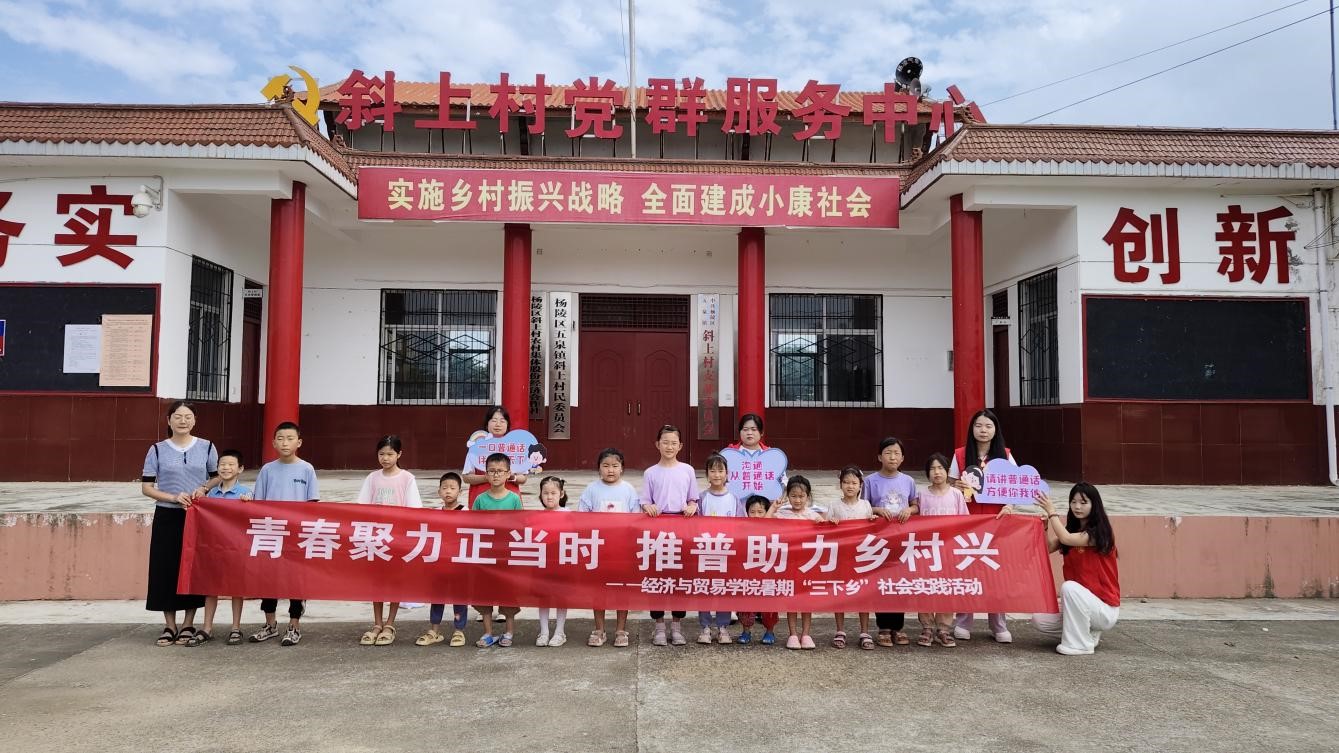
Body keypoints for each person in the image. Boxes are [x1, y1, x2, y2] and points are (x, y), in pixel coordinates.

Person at [141, 400, 218, 647]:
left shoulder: (207, 447)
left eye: (188, 416)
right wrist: (173, 497)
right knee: (165, 568)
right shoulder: (157, 450)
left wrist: (203, 488)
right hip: (167, 515)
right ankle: (170, 625)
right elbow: (147, 488)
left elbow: (217, 476)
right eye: (178, 416)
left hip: (196, 515)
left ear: (194, 420)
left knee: (192, 568)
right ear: (169, 420)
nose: (183, 421)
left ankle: (188, 624)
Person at [950, 409, 1020, 643]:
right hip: (967, 520)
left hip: (996, 520)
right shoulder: (960, 454)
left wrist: (1009, 505)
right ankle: (963, 621)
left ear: (995, 430)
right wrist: (957, 487)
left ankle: (998, 624)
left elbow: (1016, 487)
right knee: (966, 567)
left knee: (995, 570)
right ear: (972, 429)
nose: (983, 430)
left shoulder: (1006, 455)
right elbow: (949, 484)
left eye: (988, 426)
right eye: (978, 425)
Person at [249, 421, 319, 647]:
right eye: (280, 438)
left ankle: (294, 625)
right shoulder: (267, 469)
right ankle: (270, 624)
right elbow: (258, 502)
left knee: (295, 579)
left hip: (297, 534)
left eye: (290, 438)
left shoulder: (307, 469)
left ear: (299, 442)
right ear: (273, 443)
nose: (285, 443)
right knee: (268, 579)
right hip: (271, 532)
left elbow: (313, 504)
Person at [1032, 483, 1120, 655]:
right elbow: (1047, 548)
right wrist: (1045, 527)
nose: (1077, 507)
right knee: (1039, 620)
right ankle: (1087, 634)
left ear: (1094, 505)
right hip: (1083, 603)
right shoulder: (1072, 529)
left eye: (1083, 502)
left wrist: (1052, 512)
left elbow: (1066, 538)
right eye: (1073, 502)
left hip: (1103, 608)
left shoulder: (1099, 532)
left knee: (1069, 588)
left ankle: (1080, 645)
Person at [355, 435, 422, 647]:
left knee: (394, 581)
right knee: (376, 582)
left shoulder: (407, 478)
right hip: (376, 537)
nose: (385, 458)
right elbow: (362, 507)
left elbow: (414, 510)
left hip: (397, 538)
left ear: (399, 454)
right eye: (381, 454)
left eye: (390, 454)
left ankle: (390, 623)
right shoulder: (372, 478)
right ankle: (377, 623)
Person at [640, 424, 699, 646]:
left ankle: (676, 626)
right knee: (657, 577)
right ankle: (658, 626)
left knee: (679, 577)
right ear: (657, 444)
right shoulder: (650, 472)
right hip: (657, 530)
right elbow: (645, 500)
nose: (669, 447)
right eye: (665, 442)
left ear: (680, 446)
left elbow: (693, 498)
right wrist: (648, 507)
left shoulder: (688, 470)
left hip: (681, 528)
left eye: (674, 443)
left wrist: (692, 506)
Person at [578, 448, 639, 647]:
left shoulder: (628, 490)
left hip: (622, 550)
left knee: (622, 589)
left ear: (622, 468)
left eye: (615, 466)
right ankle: (599, 629)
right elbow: (581, 517)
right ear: (599, 468)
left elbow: (636, 519)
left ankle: (621, 629)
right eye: (605, 466)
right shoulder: (591, 489)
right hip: (598, 550)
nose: (610, 470)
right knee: (598, 590)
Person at [861, 436, 918, 647]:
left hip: (902, 539)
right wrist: (877, 509)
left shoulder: (908, 481)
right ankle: (883, 627)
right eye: (888, 453)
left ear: (902, 458)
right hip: (879, 540)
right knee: (881, 581)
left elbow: (916, 505)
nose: (892, 457)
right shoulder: (870, 481)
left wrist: (909, 510)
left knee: (899, 580)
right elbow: (863, 506)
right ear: (879, 457)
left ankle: (898, 627)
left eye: (896, 453)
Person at [196, 448, 250, 647]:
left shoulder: (246, 493)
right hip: (214, 547)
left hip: (236, 548)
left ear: (240, 469)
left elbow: (251, 517)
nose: (226, 468)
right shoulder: (211, 494)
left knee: (236, 588)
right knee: (211, 588)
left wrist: (248, 504)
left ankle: (235, 628)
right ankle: (207, 628)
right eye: (222, 465)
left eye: (231, 465)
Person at [915, 453, 969, 648]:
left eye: (940, 468)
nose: (936, 472)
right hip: (926, 550)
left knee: (947, 587)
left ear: (947, 471)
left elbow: (965, 522)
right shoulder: (921, 495)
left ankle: (943, 629)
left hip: (949, 550)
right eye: (932, 469)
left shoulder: (956, 495)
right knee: (926, 587)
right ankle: (927, 627)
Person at [473, 452, 523, 647]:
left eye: (500, 471)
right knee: (484, 593)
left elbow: (520, 526)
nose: (495, 475)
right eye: (491, 471)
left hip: (506, 555)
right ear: (486, 474)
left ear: (508, 474)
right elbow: (472, 526)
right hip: (485, 554)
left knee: (507, 593)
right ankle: (488, 633)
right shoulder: (480, 499)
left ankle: (508, 632)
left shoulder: (514, 499)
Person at [767, 475, 822, 650]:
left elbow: (828, 531)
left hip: (808, 564)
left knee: (806, 601)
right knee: (792, 599)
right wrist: (773, 508)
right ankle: (792, 634)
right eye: (793, 496)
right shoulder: (782, 514)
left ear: (808, 496)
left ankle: (806, 634)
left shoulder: (814, 516)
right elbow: (763, 524)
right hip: (789, 564)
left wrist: (829, 523)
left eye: (801, 496)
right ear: (788, 496)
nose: (797, 500)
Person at [827, 465, 877, 650]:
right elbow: (824, 528)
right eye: (846, 482)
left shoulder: (866, 505)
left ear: (860, 485)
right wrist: (830, 523)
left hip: (862, 556)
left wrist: (873, 521)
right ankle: (840, 630)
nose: (850, 486)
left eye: (854, 483)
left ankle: (864, 631)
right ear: (840, 484)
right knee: (840, 592)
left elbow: (872, 529)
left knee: (863, 593)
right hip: (841, 556)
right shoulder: (834, 505)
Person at [417, 472, 470, 647]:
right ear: (439, 492)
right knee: (437, 597)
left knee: (459, 598)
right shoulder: (434, 514)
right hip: (439, 563)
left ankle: (459, 630)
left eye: (452, 488)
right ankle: (434, 630)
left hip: (459, 564)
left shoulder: (467, 513)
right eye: (445, 488)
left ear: (460, 492)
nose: (448, 491)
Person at [696, 453, 738, 645]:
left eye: (720, 470)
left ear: (727, 474)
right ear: (707, 474)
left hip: (726, 553)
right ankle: (705, 627)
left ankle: (723, 627)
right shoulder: (701, 498)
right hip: (705, 552)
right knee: (704, 589)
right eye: (712, 471)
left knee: (724, 589)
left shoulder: (734, 499)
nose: (717, 475)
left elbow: (742, 527)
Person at [461, 405, 527, 507]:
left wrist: (511, 477)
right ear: (486, 424)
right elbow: (466, 477)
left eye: (502, 421)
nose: (498, 424)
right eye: (494, 420)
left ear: (507, 425)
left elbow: (523, 478)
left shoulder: (515, 447)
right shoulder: (476, 446)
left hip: (509, 501)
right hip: (482, 501)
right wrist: (488, 477)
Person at [736, 495, 779, 646]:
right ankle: (746, 631)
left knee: (769, 603)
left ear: (767, 512)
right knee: (746, 603)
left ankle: (770, 631)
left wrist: (773, 509)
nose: (756, 515)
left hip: (769, 571)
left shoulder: (774, 526)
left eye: (760, 512)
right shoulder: (743, 527)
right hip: (748, 572)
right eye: (752, 512)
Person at [536, 476, 570, 647]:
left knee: (560, 596)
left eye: (553, 493)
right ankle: (544, 631)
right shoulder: (537, 516)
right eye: (545, 493)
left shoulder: (568, 514)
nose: (549, 497)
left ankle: (560, 631)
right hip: (543, 561)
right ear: (540, 495)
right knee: (543, 596)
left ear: (561, 494)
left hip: (562, 561)